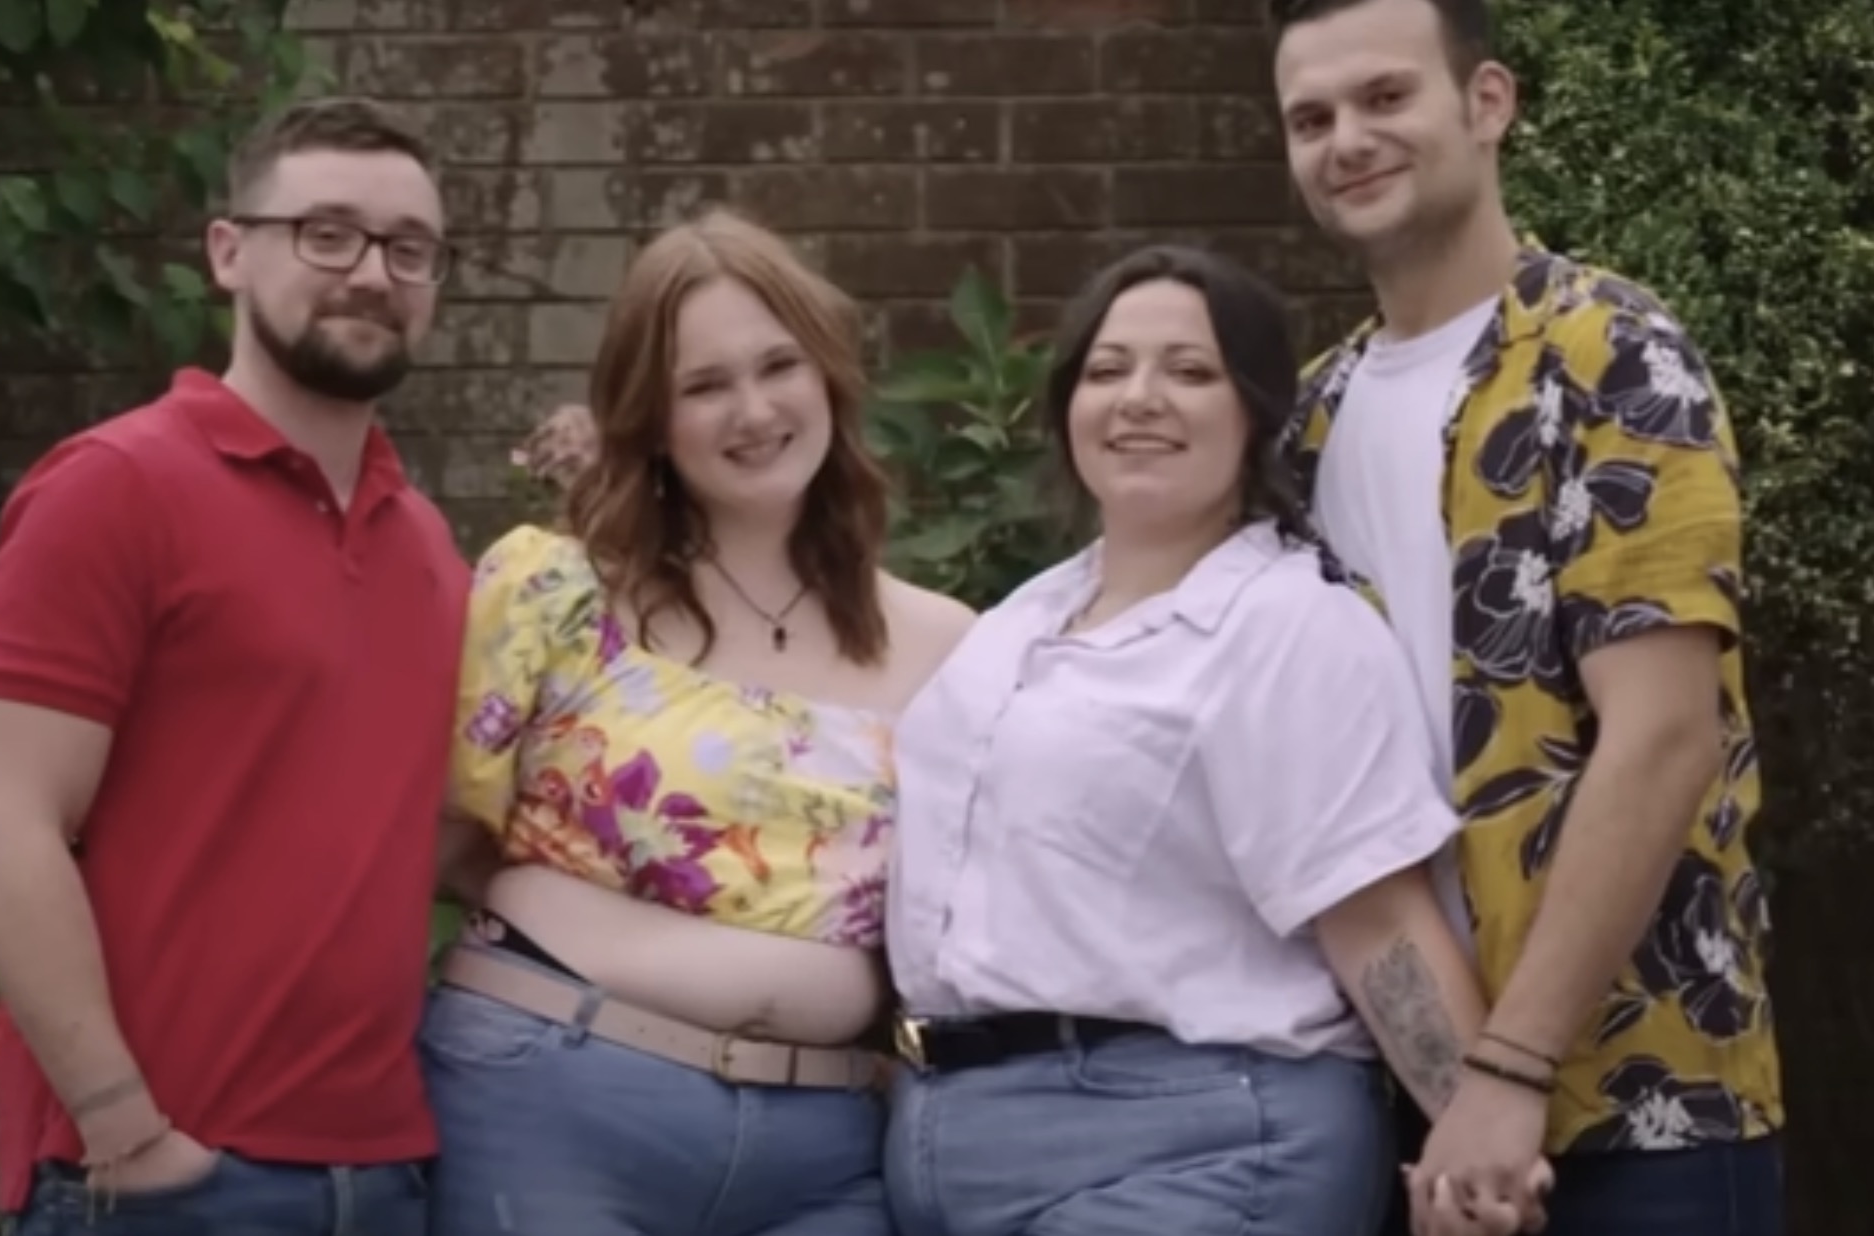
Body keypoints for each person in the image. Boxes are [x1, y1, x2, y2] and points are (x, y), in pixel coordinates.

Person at [872, 242, 1537, 1236]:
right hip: (952, 1143)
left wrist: (1478, 1141)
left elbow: (1376, 922)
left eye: (1190, 371)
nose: (1139, 398)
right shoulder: (1018, 621)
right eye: (1107, 370)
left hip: (1197, 1150)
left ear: (1255, 412)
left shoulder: (1287, 628)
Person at [1267, 1, 1787, 1233]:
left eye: (1385, 98)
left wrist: (1511, 1068)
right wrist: (1459, 1093)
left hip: (1640, 1101)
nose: (1347, 139)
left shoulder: (1608, 352)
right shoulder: (1306, 420)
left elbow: (1662, 735)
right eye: (1310, 119)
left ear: (1486, 103)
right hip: (1413, 1103)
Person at [0, 96, 466, 1234]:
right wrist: (124, 1123)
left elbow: (425, 835)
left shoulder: (427, 548)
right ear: (230, 251)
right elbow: (6, 828)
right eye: (326, 234)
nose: (371, 274)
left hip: (388, 1173)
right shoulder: (114, 489)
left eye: (408, 248)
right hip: (166, 1183)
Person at [425, 206, 973, 1235]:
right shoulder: (557, 596)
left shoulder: (952, 648)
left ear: (828, 377)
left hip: (825, 1146)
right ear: (651, 420)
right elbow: (443, 839)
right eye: (704, 385)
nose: (753, 409)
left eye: (778, 366)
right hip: (556, 1099)